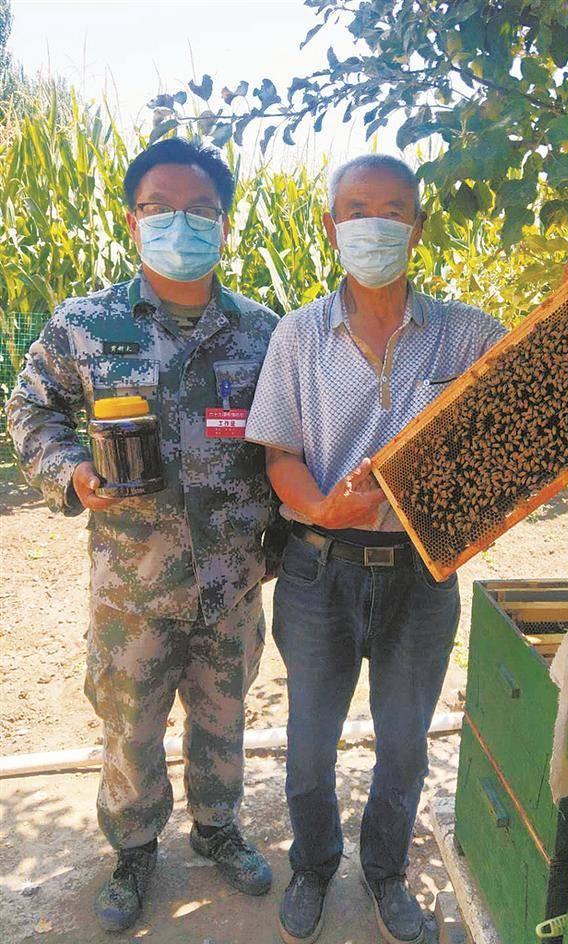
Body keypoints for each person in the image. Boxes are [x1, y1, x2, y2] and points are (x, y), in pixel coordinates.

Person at [245, 154, 568, 944]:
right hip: (318, 568)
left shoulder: (462, 332)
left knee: (404, 741)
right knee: (311, 740)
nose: (373, 223)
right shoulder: (297, 336)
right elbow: (278, 453)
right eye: (356, 208)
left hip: (424, 574)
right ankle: (313, 866)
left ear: (416, 227)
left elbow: (540, 380)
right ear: (330, 226)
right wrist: (320, 503)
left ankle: (386, 874)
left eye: (392, 210)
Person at [7, 138, 280, 933]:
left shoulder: (264, 332)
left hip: (232, 580)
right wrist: (70, 474)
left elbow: (295, 438)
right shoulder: (85, 324)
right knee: (130, 724)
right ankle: (132, 846)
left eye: (198, 208)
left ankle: (220, 826)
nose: (179, 222)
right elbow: (30, 409)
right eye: (159, 207)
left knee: (225, 716)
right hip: (133, 581)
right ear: (133, 219)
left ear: (223, 224)